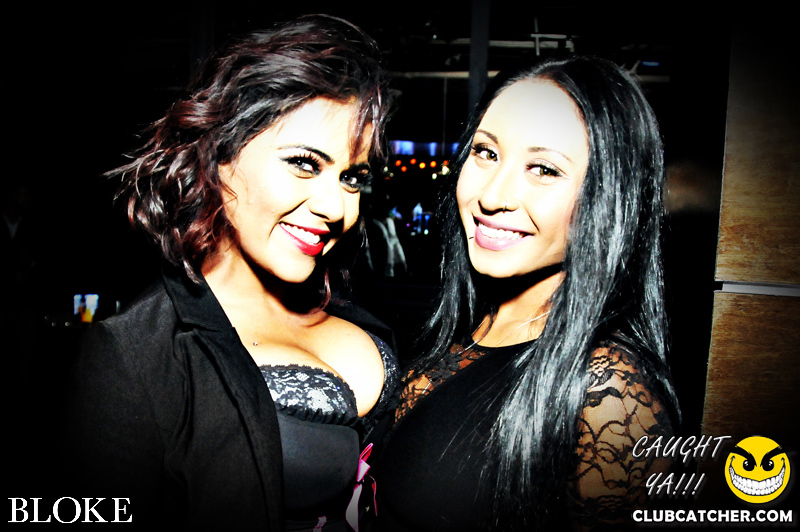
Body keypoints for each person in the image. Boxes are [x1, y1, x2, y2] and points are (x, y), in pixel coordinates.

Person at [58, 14, 396, 532]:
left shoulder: (356, 313)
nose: (337, 208)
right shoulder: (137, 356)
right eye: (304, 163)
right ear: (219, 155)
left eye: (351, 178)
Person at [373, 56, 680, 530]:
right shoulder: (474, 328)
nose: (493, 195)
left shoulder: (608, 391)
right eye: (486, 153)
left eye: (544, 169)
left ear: (609, 196)